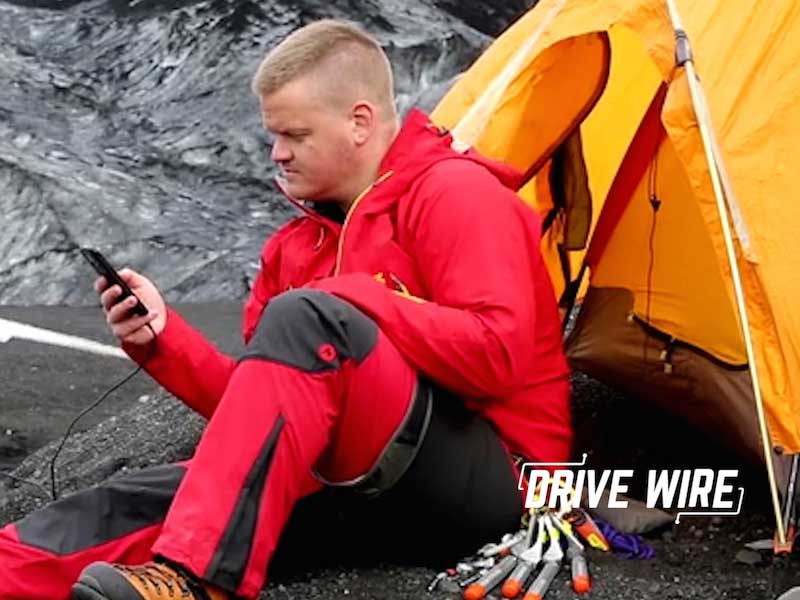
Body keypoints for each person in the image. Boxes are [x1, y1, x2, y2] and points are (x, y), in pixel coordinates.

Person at [0, 19, 571, 600]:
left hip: (499, 484)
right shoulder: (295, 248)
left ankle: (197, 580)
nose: (278, 154)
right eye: (274, 135)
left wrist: (355, 296)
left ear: (359, 122)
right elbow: (267, 413)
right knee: (131, 503)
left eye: (295, 134)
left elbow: (497, 357)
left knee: (310, 319)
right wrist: (162, 340)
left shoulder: (457, 194)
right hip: (357, 486)